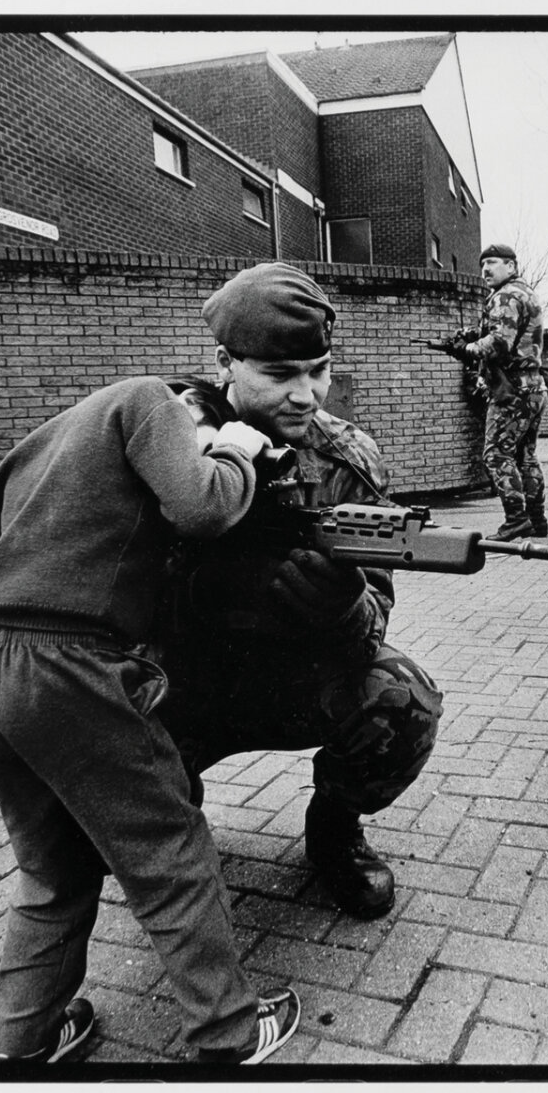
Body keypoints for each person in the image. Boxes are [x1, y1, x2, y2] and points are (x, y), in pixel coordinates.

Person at [0, 285, 305, 1064]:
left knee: (54, 870)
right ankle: (227, 1031)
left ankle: (25, 1046)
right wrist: (236, 451)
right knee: (170, 851)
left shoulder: (46, 439)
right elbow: (204, 507)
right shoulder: (149, 400)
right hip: (73, 671)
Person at [154, 264, 445, 920]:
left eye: (318, 370)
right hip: (182, 686)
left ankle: (335, 830)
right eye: (280, 375)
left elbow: (376, 609)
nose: (306, 394)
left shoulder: (345, 459)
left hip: (289, 682)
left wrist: (340, 609)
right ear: (226, 362)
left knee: (403, 699)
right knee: (100, 721)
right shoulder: (171, 440)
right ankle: (169, 840)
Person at [435, 243, 548, 540]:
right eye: (483, 264)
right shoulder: (526, 293)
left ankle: (516, 519)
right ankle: (537, 520)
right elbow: (509, 329)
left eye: (493, 263)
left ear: (511, 266)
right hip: (534, 385)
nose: (486, 269)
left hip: (511, 388)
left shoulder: (504, 295)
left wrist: (467, 349)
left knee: (497, 454)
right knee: (526, 456)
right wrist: (470, 334)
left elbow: (500, 342)